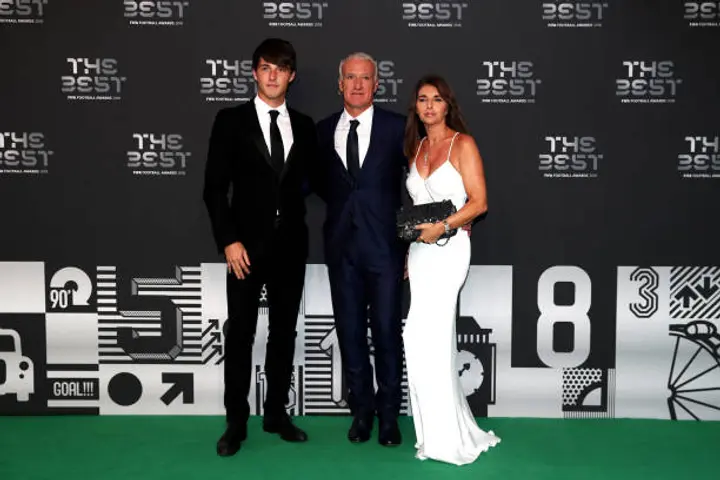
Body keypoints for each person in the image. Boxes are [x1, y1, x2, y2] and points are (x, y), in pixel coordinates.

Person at [202, 38, 317, 457]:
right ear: (254, 72)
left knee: (284, 333)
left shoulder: (304, 126)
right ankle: (236, 421)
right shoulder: (230, 120)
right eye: (266, 67)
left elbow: (316, 183)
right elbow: (214, 188)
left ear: (292, 76)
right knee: (241, 335)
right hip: (244, 249)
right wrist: (228, 240)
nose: (273, 75)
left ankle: (275, 413)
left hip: (290, 248)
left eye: (281, 68)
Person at [402, 74, 500, 465]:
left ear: (448, 105)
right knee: (417, 338)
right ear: (417, 107)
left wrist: (443, 227)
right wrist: (412, 251)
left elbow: (479, 203)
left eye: (437, 99)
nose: (429, 106)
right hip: (421, 254)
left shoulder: (464, 144)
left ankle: (447, 441)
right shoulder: (418, 147)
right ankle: (434, 431)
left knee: (436, 337)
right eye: (423, 99)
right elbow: (416, 211)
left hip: (450, 251)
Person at [314, 52, 407, 446]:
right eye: (350, 77)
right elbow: (316, 184)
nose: (356, 85)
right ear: (340, 84)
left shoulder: (399, 128)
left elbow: (421, 184)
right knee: (350, 334)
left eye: (364, 78)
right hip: (341, 250)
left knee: (387, 333)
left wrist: (414, 242)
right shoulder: (321, 131)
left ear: (376, 84)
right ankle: (362, 413)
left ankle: (389, 415)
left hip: (385, 251)